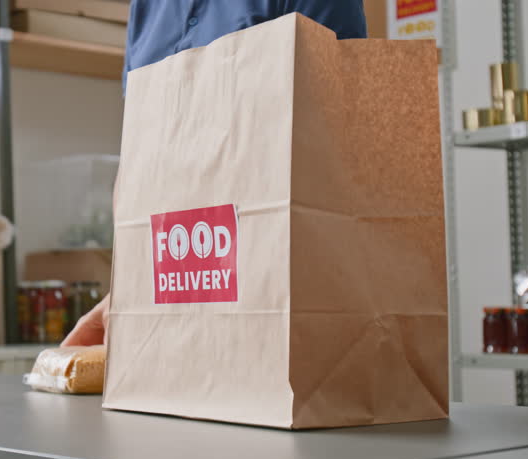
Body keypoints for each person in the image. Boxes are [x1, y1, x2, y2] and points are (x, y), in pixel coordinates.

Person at [62, 0, 367, 347]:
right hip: (179, 281)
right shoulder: (146, 6)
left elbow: (336, 134)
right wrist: (127, 289)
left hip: (280, 289)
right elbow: (138, 155)